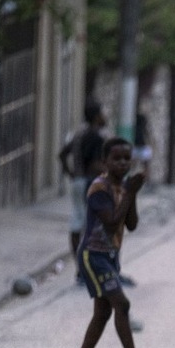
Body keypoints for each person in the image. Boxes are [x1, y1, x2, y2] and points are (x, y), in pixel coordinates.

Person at [66, 137, 164, 348]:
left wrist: (132, 195)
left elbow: (130, 224)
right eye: (116, 159)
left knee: (102, 313)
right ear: (104, 161)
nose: (122, 163)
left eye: (126, 159)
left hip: (110, 257)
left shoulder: (122, 188)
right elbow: (111, 223)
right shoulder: (99, 188)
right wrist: (130, 192)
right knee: (121, 305)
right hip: (93, 255)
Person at [59, 100, 107, 280]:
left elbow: (62, 154)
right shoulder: (96, 137)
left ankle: (80, 268)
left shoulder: (78, 134)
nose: (105, 116)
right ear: (96, 117)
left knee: (77, 222)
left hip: (77, 182)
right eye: (102, 113)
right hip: (90, 183)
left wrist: (71, 173)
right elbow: (94, 165)